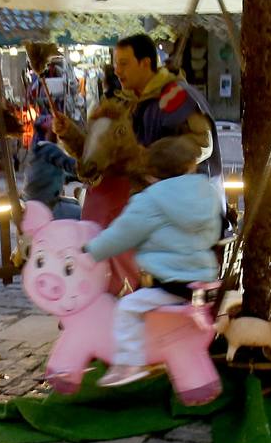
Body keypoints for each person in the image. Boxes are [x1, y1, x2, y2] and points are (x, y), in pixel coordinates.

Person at [84, 136, 220, 388]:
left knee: (127, 307)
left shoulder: (150, 200)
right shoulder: (208, 193)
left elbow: (120, 235)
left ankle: (128, 364)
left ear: (150, 175)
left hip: (172, 284)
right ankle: (196, 381)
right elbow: (214, 233)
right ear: (190, 166)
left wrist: (91, 251)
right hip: (203, 283)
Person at [113, 33, 219, 178]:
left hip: (184, 195)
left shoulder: (177, 95)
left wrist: (154, 158)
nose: (117, 71)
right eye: (116, 64)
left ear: (145, 63)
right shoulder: (128, 104)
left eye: (124, 63)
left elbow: (203, 144)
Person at [23, 135, 82, 220]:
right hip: (46, 206)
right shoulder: (49, 149)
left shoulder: (37, 151)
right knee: (81, 214)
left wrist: (72, 178)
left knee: (75, 202)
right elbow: (72, 166)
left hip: (35, 202)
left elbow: (48, 176)